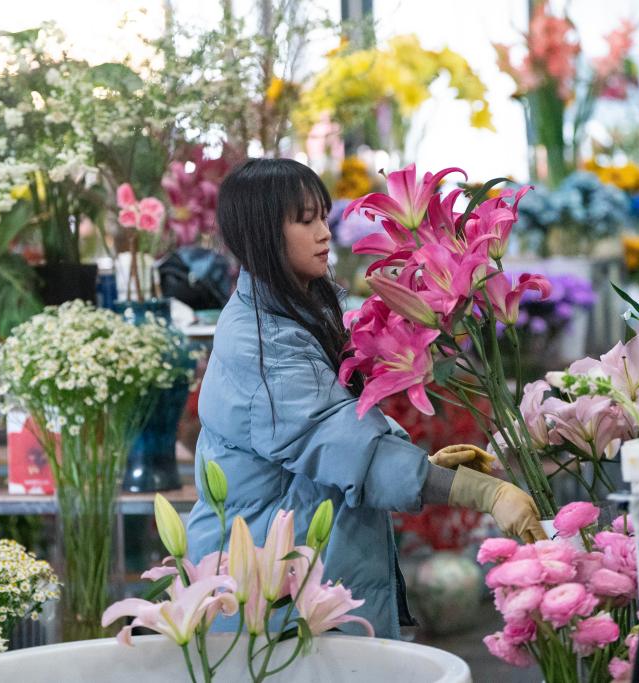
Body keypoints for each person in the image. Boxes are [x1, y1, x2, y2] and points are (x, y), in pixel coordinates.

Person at [186, 158, 545, 639]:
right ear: (262, 234)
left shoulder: (296, 310)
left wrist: (423, 468)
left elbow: (333, 439)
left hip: (292, 569)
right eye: (305, 220)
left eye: (323, 216)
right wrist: (484, 493)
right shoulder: (261, 342)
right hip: (266, 591)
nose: (324, 233)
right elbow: (347, 448)